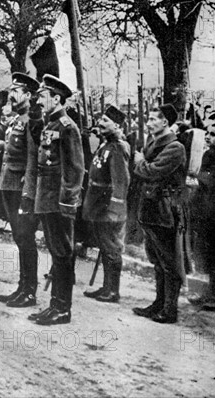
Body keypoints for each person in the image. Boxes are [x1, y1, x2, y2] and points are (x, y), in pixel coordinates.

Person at [23, 75, 85, 325]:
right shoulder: (51, 125)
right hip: (46, 199)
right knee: (56, 252)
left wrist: (68, 202)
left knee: (62, 254)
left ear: (56, 98)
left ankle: (62, 308)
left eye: (43, 96)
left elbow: (76, 169)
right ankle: (55, 305)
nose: (39, 100)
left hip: (58, 202)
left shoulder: (67, 127)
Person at [132, 104, 187, 323]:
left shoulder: (175, 147)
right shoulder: (153, 142)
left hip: (165, 209)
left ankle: (169, 309)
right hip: (151, 208)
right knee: (156, 259)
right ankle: (158, 303)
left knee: (168, 261)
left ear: (165, 123)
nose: (149, 123)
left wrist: (139, 162)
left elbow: (152, 172)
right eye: (149, 119)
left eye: (154, 119)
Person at [0, 72, 40, 308]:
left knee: (26, 238)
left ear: (28, 95)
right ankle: (22, 287)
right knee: (19, 238)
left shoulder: (31, 121)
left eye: (16, 90)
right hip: (9, 185)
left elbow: (33, 160)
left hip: (21, 188)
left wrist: (28, 193)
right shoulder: (16, 120)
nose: (11, 95)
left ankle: (30, 291)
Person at [82, 106, 130, 303]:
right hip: (98, 204)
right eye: (101, 119)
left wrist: (115, 208)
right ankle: (106, 286)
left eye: (105, 121)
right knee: (104, 246)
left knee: (111, 247)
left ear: (117, 126)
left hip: (108, 207)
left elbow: (121, 181)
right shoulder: (106, 145)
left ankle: (113, 291)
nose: (100, 123)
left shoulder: (117, 147)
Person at [188, 122, 215, 311]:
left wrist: (196, 176)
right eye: (208, 133)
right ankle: (209, 293)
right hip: (207, 214)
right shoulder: (209, 154)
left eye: (214, 134)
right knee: (208, 257)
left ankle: (214, 297)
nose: (208, 137)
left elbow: (210, 179)